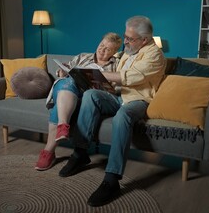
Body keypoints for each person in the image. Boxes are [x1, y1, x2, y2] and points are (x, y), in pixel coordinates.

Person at [58, 16, 166, 207]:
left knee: (122, 116)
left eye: (130, 39)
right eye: (125, 37)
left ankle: (112, 179)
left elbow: (128, 77)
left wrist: (91, 73)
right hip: (119, 97)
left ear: (145, 39)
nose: (125, 42)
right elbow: (117, 82)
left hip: (139, 101)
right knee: (91, 95)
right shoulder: (128, 51)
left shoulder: (155, 55)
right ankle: (80, 153)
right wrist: (94, 81)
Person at [35, 32, 123, 171]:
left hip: (89, 98)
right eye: (101, 45)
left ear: (114, 52)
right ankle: (62, 126)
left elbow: (117, 91)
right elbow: (63, 71)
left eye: (108, 49)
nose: (102, 50)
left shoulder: (117, 65)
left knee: (62, 102)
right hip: (70, 92)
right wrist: (61, 72)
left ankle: (49, 150)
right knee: (68, 82)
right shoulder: (83, 57)